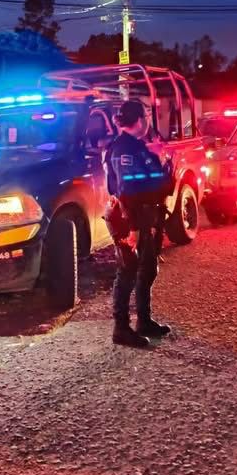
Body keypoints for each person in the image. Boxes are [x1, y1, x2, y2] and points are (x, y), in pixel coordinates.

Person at [103, 100, 174, 348]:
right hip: (127, 218)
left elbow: (155, 181)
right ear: (139, 120)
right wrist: (133, 228)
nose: (148, 120)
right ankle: (121, 329)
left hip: (143, 216)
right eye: (146, 116)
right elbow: (127, 190)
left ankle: (144, 321)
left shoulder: (137, 146)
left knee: (148, 268)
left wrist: (164, 163)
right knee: (128, 271)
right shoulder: (124, 149)